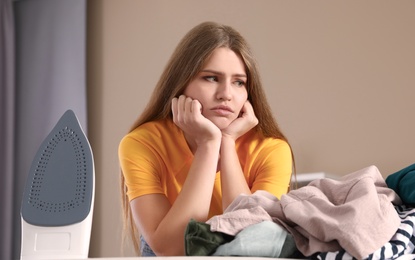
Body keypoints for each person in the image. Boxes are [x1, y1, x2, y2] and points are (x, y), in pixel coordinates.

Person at [118, 21, 294, 256]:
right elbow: (172, 249)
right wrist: (208, 145)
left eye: (239, 82)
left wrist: (228, 142)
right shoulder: (142, 143)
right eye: (211, 78)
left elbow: (253, 246)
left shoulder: (272, 150)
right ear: (181, 83)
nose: (226, 95)